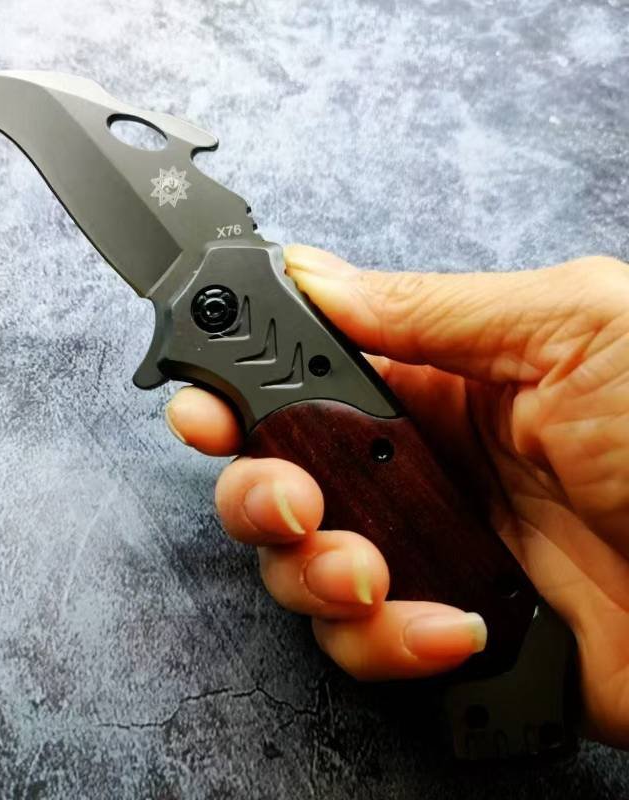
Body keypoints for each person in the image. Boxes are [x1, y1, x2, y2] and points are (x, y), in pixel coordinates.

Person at [163, 245, 629, 750]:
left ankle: (512, 673)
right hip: (529, 635)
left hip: (524, 644)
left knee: (317, 545)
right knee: (311, 539)